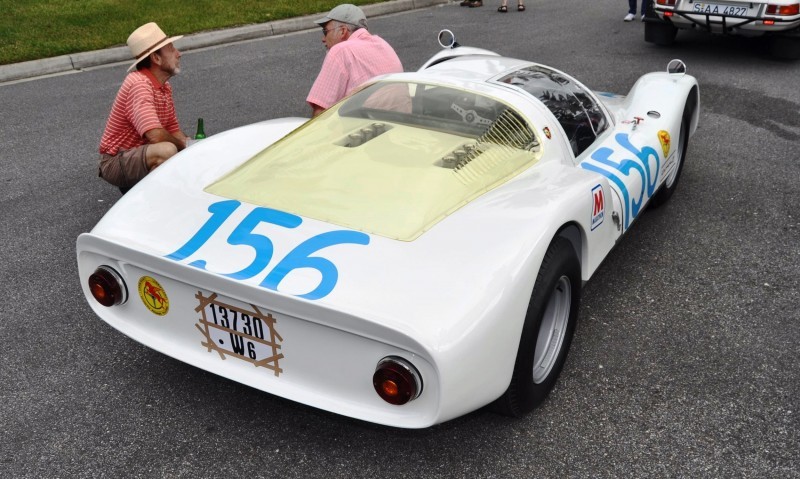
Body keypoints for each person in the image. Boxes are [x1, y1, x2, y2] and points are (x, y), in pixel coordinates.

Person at [98, 22, 190, 192]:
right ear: (156, 58)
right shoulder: (139, 84)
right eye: (171, 49)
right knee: (167, 150)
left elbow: (173, 129)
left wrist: (193, 145)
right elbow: (155, 135)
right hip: (116, 161)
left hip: (139, 154)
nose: (179, 54)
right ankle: (146, 203)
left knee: (186, 150)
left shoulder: (164, 88)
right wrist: (183, 147)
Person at [306, 4, 404, 117]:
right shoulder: (383, 44)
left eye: (325, 31)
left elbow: (321, 112)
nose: (323, 39)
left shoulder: (340, 51)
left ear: (343, 31)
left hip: (364, 129)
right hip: (401, 126)